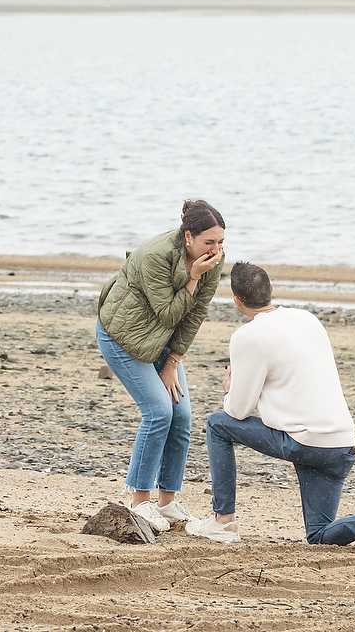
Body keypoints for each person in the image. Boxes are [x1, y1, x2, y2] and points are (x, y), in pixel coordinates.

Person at [185, 261, 355, 554]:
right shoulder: (307, 319)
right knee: (318, 534)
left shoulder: (247, 336)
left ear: (237, 302)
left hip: (305, 442)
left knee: (217, 424)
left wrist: (229, 389)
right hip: (341, 444)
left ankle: (223, 522)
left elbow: (237, 411)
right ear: (271, 290)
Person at [95, 200, 225, 532]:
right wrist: (193, 278)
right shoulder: (155, 256)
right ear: (188, 237)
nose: (216, 250)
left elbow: (194, 315)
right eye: (209, 242)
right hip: (123, 336)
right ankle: (139, 502)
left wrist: (173, 361)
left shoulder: (213, 262)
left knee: (181, 415)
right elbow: (169, 312)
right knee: (158, 412)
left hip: (162, 342)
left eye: (221, 242)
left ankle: (166, 503)